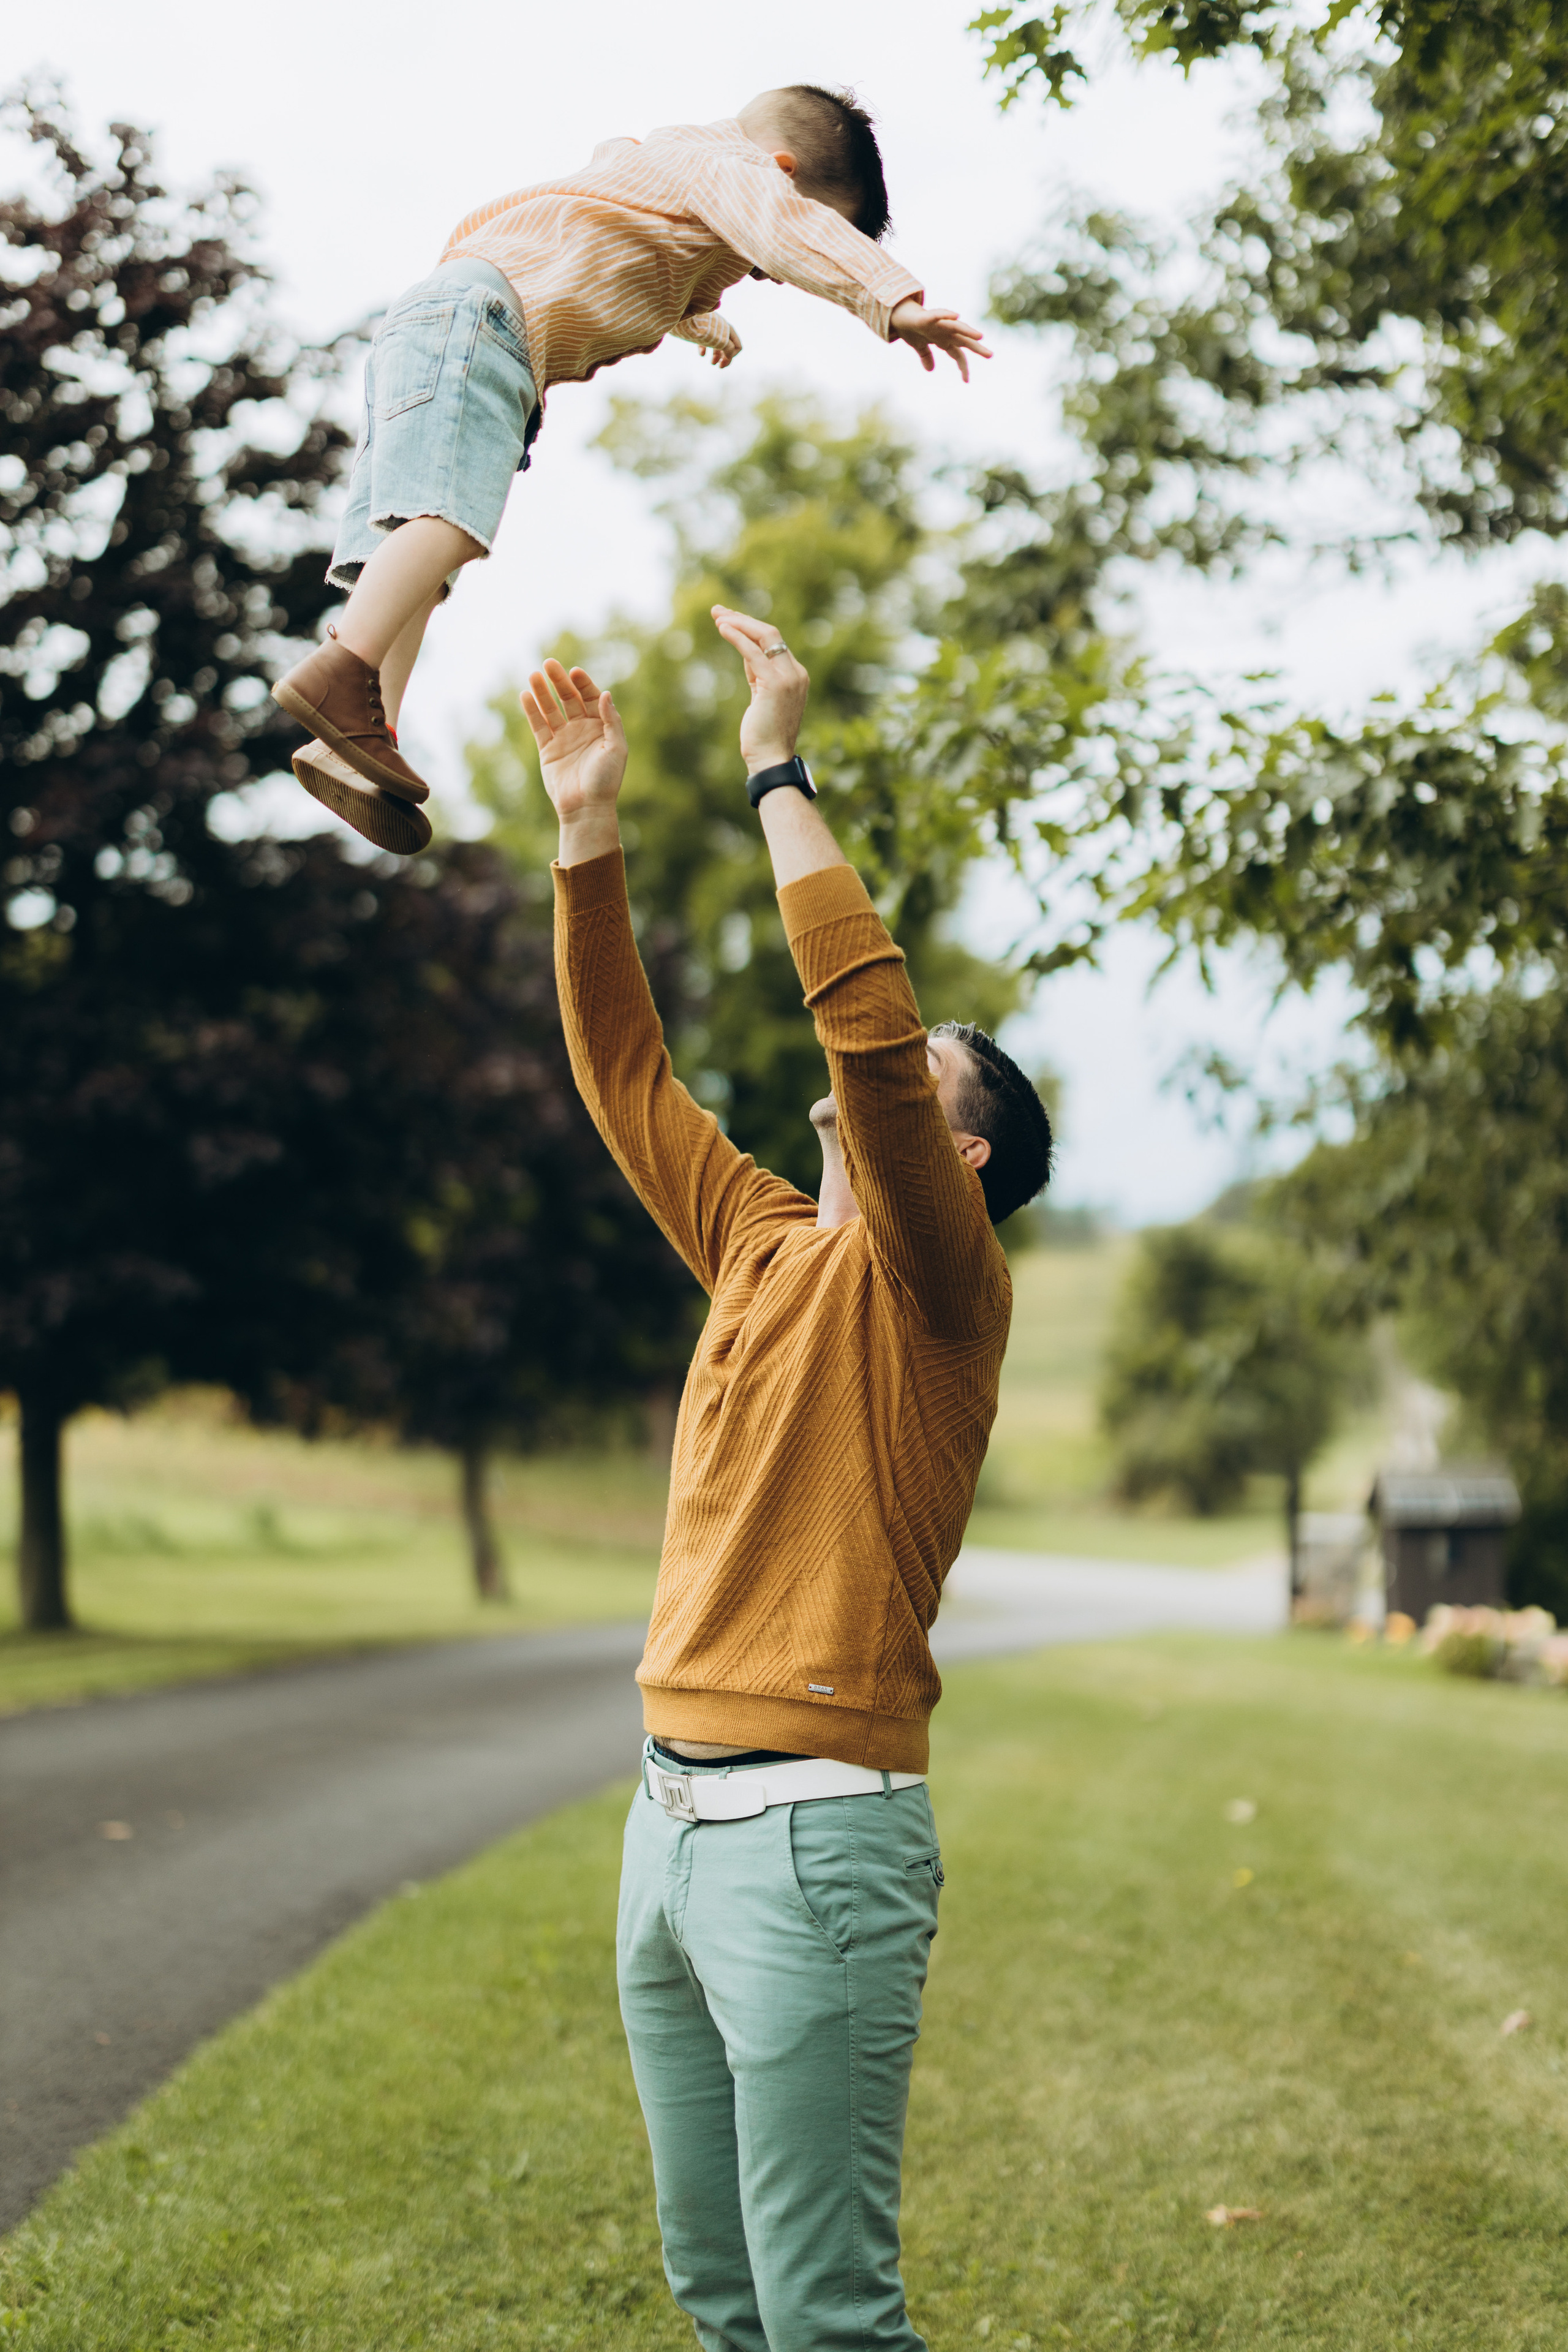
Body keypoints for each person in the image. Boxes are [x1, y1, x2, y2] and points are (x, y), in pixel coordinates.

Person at [526, 604, 1052, 2352]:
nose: (876, 1074)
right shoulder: (758, 1242)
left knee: (826, 2316)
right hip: (664, 1829)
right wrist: (586, 829)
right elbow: (625, 1076)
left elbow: (868, 1031)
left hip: (818, 1842)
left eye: (919, 1076)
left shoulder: (942, 1289)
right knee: (721, 2295)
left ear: (954, 1153)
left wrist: (776, 766)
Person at [271, 86, 991, 856]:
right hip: (485, 327)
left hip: (433, 318)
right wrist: (890, 302)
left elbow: (616, 247)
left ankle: (357, 739)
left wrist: (697, 317)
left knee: (413, 559)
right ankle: (341, 671)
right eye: (801, 223)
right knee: (450, 523)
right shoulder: (735, 170)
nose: (772, 273)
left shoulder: (659, 163)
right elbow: (784, 227)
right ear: (780, 171)